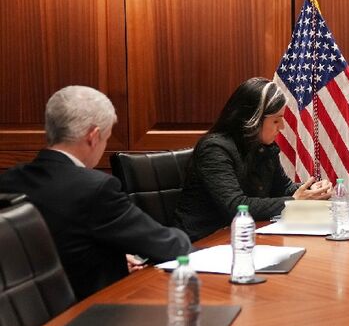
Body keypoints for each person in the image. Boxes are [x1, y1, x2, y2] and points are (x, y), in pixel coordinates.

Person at [0, 86, 191, 301]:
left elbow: (60, 245)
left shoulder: (10, 179)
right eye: (106, 138)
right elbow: (170, 246)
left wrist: (113, 256)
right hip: (92, 311)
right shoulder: (96, 188)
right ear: (94, 136)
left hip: (29, 312)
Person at [175, 77, 332, 241]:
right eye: (276, 120)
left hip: (241, 235)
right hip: (203, 240)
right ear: (252, 120)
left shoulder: (262, 146)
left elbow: (282, 188)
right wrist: (294, 201)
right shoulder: (214, 148)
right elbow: (236, 206)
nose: (282, 127)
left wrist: (313, 190)